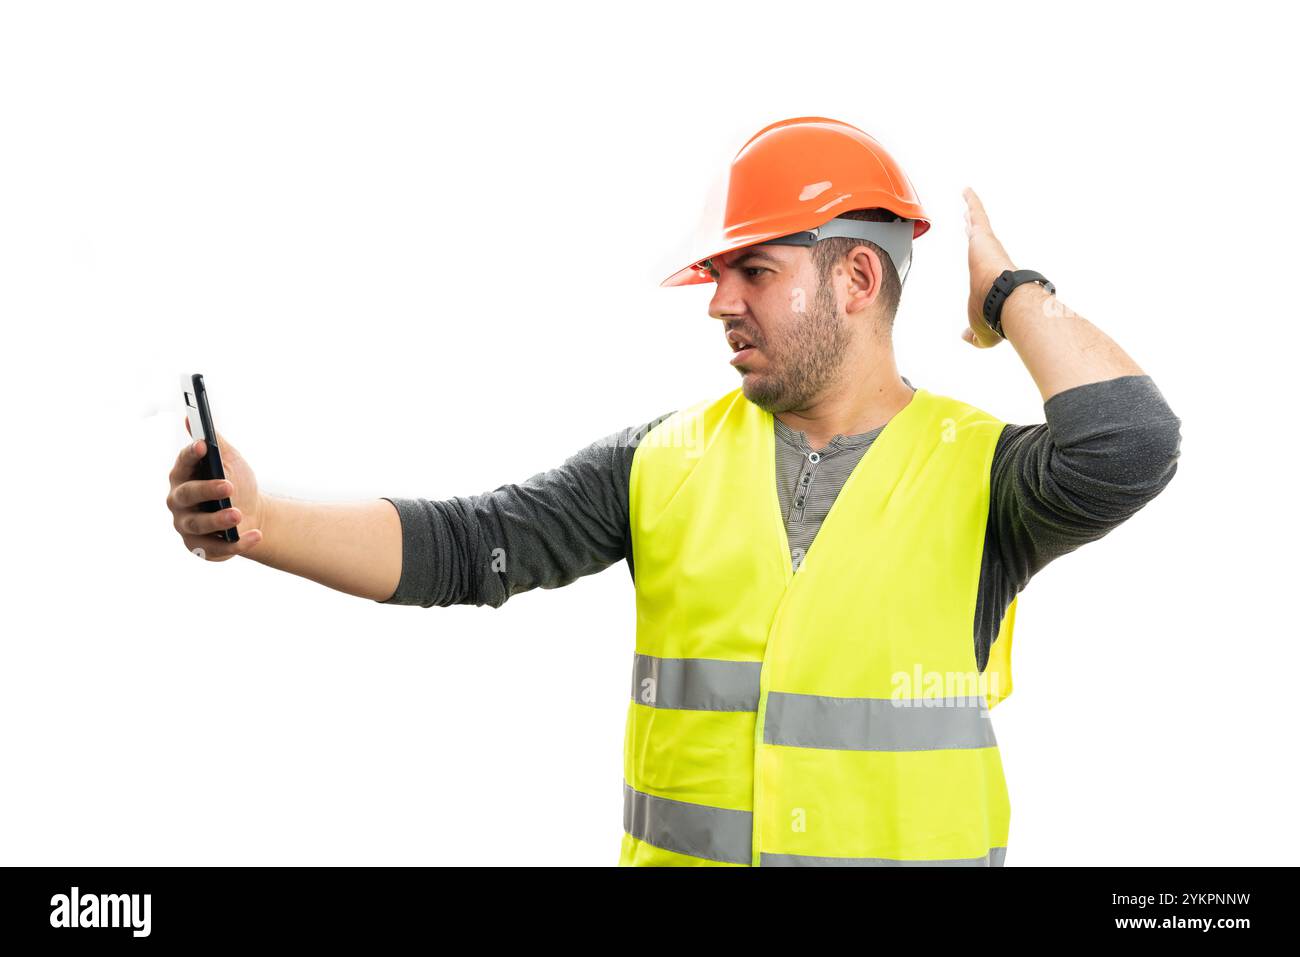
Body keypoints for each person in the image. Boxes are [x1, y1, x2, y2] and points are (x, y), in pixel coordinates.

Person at [166, 117, 1181, 866]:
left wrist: (1007, 293)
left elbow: (1131, 441)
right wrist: (256, 526)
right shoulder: (661, 461)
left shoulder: (988, 474)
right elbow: (468, 546)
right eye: (716, 276)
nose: (720, 304)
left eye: (752, 270)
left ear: (857, 282)